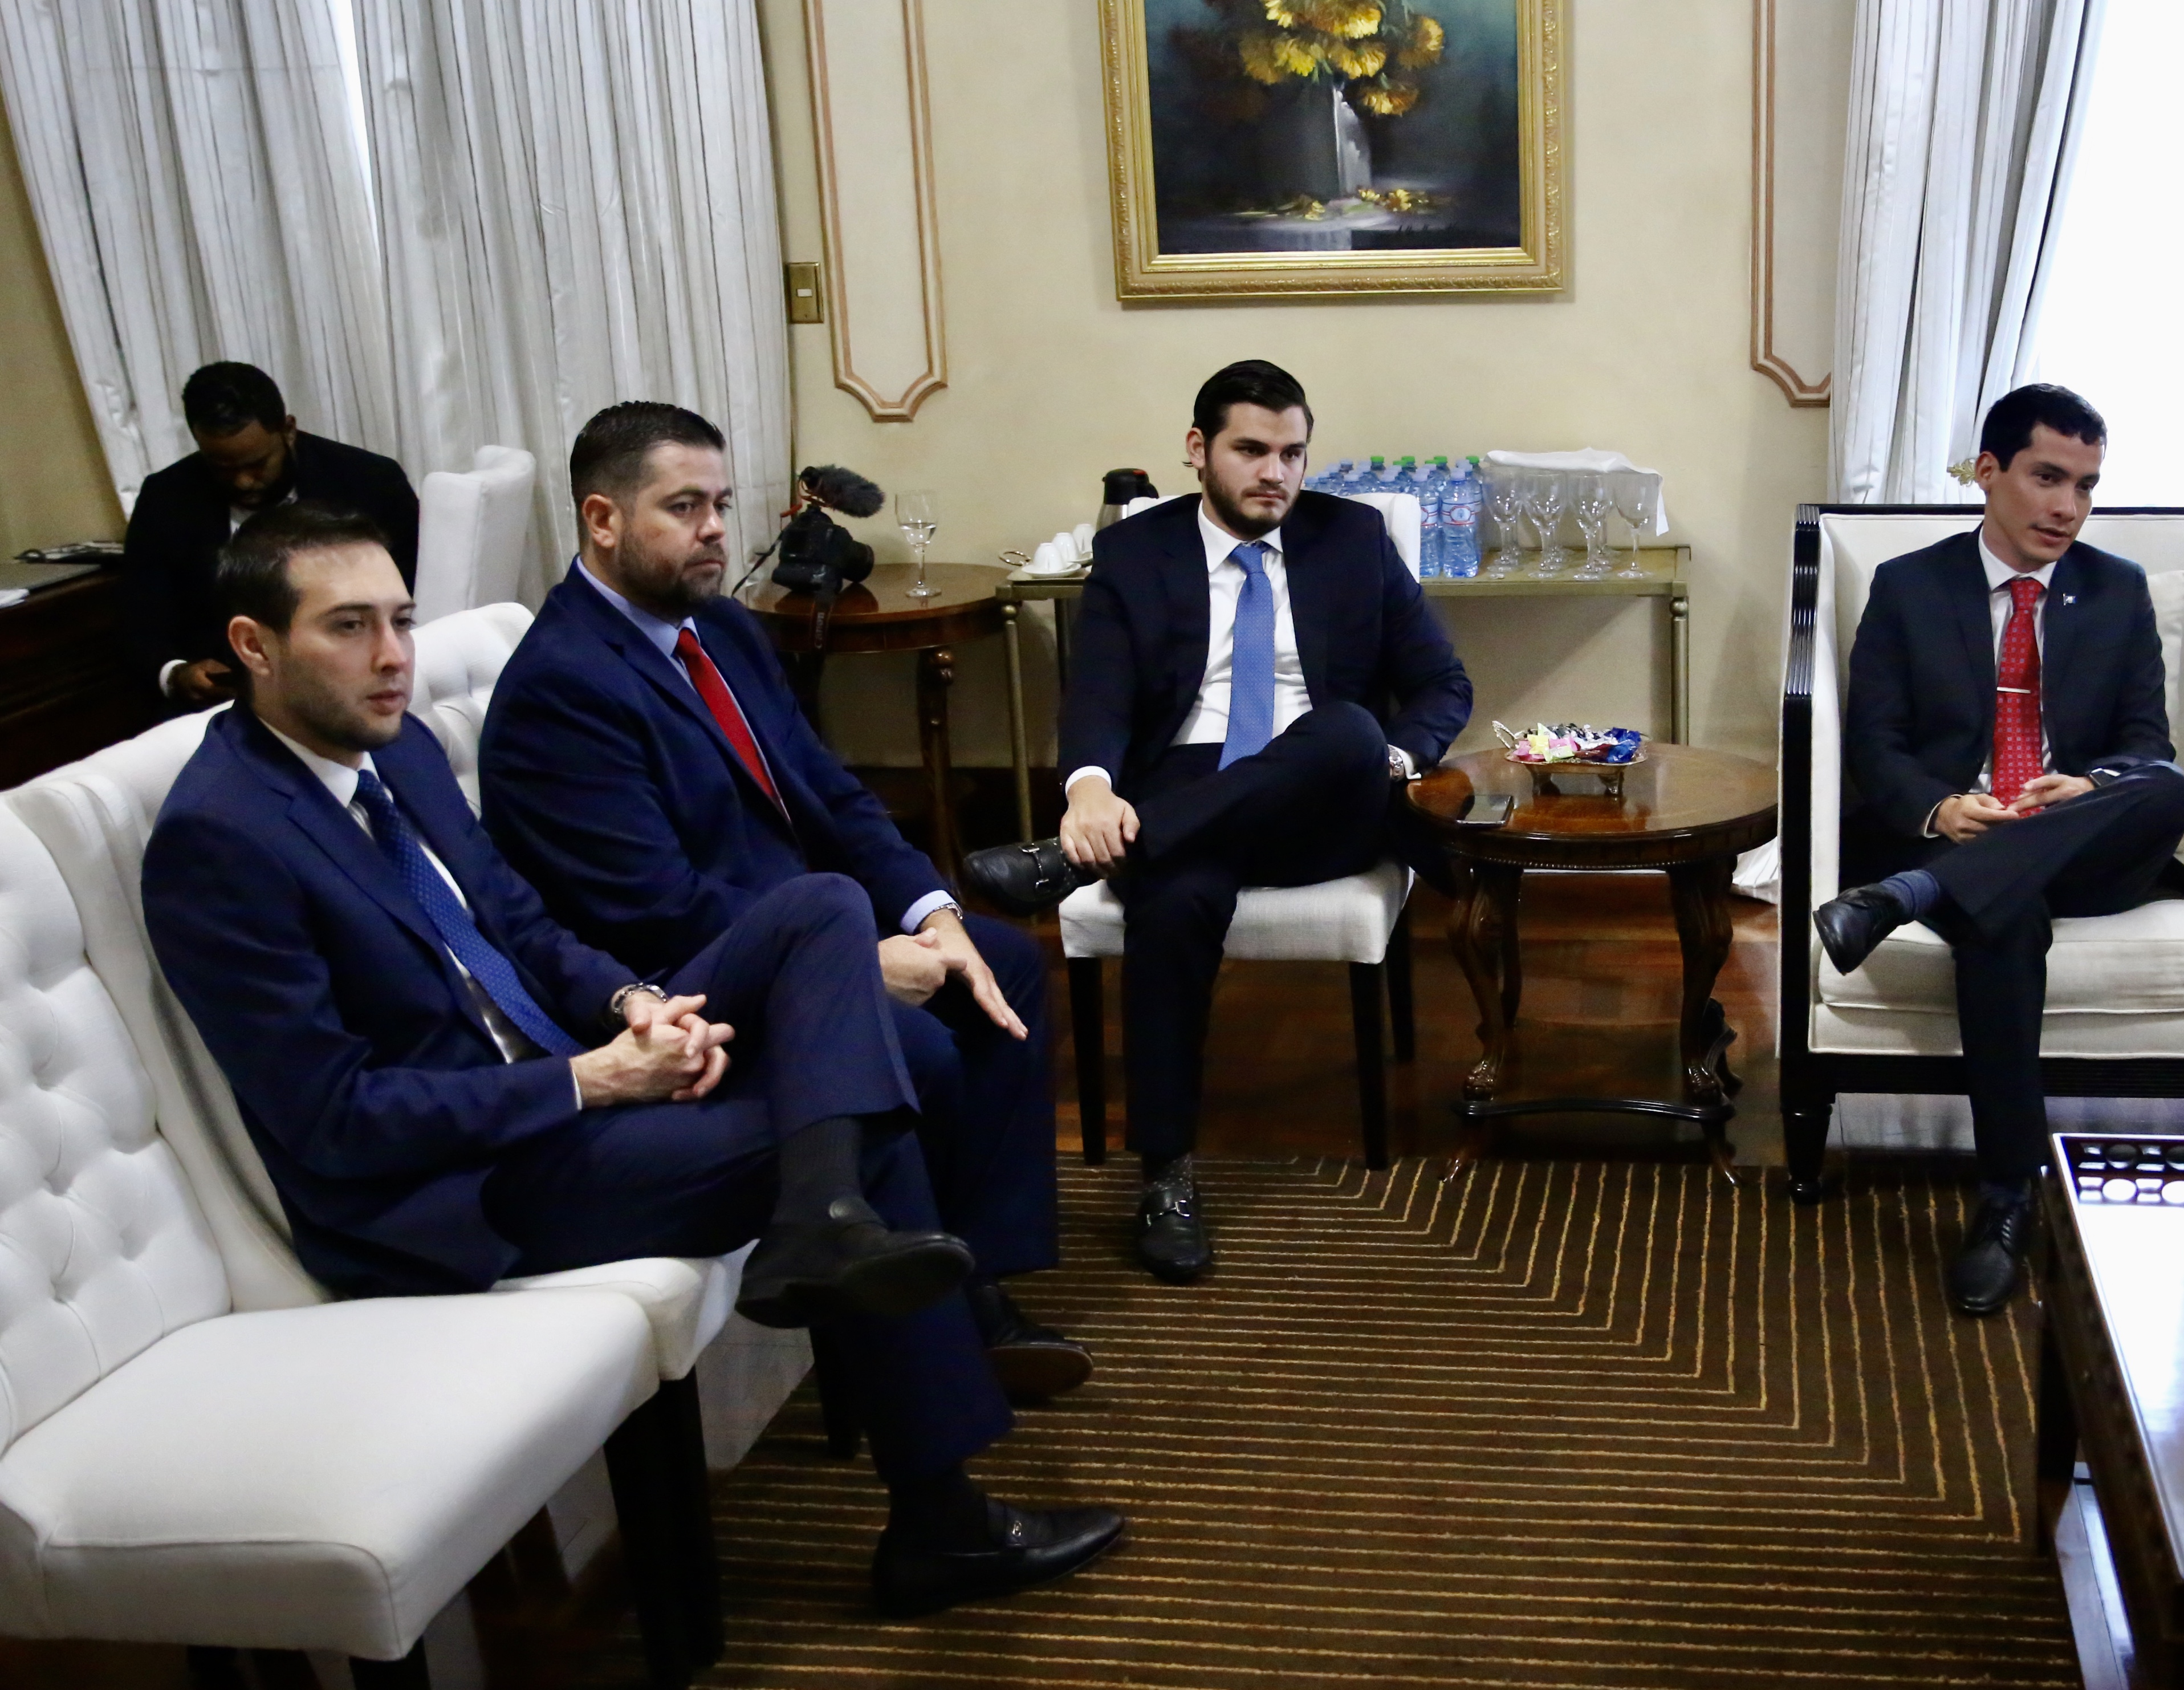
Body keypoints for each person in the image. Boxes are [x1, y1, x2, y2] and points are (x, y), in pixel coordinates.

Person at [141, 502, 1123, 1612]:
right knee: (853, 1119)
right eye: (348, 626)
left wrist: (633, 1003)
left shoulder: (392, 745)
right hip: (462, 1185)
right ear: (254, 645)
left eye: (401, 620)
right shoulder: (220, 839)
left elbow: (519, 923)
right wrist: (589, 1078)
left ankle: (822, 1226)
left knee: (820, 908)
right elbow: (338, 1120)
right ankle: (938, 1512)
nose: (391, 656)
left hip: (568, 1072)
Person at [477, 403, 1080, 1403]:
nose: (715, 528)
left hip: (799, 921)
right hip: (684, 978)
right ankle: (933, 1325)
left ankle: (976, 1275)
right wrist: (851, 961)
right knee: (922, 1044)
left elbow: (830, 792)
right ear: (603, 519)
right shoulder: (562, 686)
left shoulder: (718, 626)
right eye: (684, 507)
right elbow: (658, 907)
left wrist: (931, 914)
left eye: (721, 504)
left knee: (1001, 964)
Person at [959, 360, 1471, 1284]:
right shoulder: (1134, 552)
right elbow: (1098, 695)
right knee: (1175, 897)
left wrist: (1393, 759)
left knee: (1346, 730)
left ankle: (1076, 862)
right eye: (1251, 450)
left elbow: (1442, 682)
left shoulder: (1351, 539)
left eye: (1292, 453)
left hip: (1327, 792)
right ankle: (1166, 1176)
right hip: (1186, 784)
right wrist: (1087, 792)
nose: (1275, 472)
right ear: (1198, 449)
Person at [1809, 384, 2184, 1317]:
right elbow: (1876, 744)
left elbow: (2146, 743)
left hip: (2081, 844)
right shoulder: (1911, 586)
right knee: (2001, 920)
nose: (2068, 506)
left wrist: (2090, 784)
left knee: (2168, 786)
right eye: (2047, 477)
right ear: (1989, 472)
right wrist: (1940, 808)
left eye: (2086, 485)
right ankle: (2005, 1200)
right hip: (1966, 840)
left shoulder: (2115, 589)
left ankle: (1902, 898)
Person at [124, 361, 420, 711]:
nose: (243, 482)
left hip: (356, 681)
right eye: (223, 468)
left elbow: (411, 595)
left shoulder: (370, 483)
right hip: (225, 702)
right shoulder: (165, 499)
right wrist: (176, 674)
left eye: (257, 464)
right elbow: (141, 619)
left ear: (288, 431)